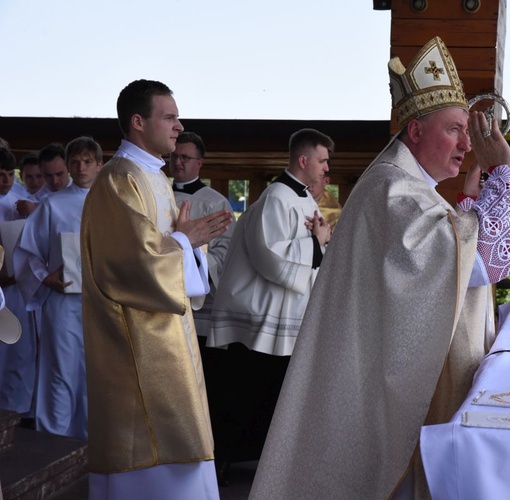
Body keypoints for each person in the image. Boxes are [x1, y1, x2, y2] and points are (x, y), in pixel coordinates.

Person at [248, 37, 510, 499]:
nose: (467, 143)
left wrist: (478, 200)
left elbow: (450, 248)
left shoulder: (409, 184)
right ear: (414, 131)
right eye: (454, 129)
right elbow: (475, 263)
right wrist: (505, 174)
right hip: (377, 384)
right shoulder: (393, 188)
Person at [80, 79, 231, 499]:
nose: (180, 126)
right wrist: (186, 241)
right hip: (137, 350)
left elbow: (168, 252)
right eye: (169, 116)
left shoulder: (154, 177)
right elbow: (128, 265)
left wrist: (188, 244)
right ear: (137, 122)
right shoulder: (118, 180)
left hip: (167, 340)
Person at [209, 128, 333, 479]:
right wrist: (318, 244)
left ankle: (265, 463)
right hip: (260, 318)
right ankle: (231, 466)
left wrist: (321, 244)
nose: (327, 169)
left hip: (289, 314)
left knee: (273, 394)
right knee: (250, 392)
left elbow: (312, 255)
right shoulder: (277, 197)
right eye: (323, 161)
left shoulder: (306, 199)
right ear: (303, 160)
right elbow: (271, 258)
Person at [13, 136, 103, 439]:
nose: (80, 167)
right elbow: (27, 252)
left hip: (103, 303)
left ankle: (95, 443)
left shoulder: (114, 205)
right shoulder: (52, 204)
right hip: (63, 302)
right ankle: (55, 440)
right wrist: (44, 277)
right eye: (74, 161)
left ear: (99, 164)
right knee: (61, 373)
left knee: (98, 375)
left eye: (87, 161)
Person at [169, 131, 235, 338]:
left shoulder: (214, 202)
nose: (178, 162)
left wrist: (192, 269)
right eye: (174, 156)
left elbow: (226, 249)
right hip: (165, 289)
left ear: (199, 163)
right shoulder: (160, 195)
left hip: (198, 295)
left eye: (185, 158)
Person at [0, 148, 36, 418]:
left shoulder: (24, 200)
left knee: (19, 351)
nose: (4, 181)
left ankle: (17, 411)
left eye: (8, 175)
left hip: (18, 287)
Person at [16, 143, 70, 218]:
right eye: (48, 175)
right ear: (41, 170)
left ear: (68, 167)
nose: (55, 181)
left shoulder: (87, 192)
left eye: (59, 174)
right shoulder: (32, 201)